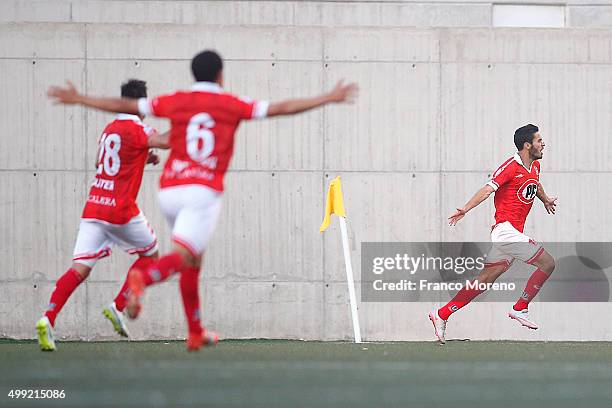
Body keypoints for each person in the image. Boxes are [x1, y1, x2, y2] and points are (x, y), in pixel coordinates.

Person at [48, 50, 358, 351]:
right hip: (201, 191)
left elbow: (124, 104)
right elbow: (280, 108)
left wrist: (81, 99)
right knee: (183, 255)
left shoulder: (176, 100)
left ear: (193, 74)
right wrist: (326, 97)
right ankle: (142, 277)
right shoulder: (230, 103)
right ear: (221, 75)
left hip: (170, 189)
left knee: (193, 259)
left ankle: (195, 332)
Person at [37, 79, 169, 351]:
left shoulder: (109, 130)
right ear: (139, 104)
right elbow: (164, 141)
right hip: (120, 211)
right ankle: (118, 306)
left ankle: (47, 318)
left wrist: (145, 158)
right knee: (151, 255)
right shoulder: (138, 129)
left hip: (94, 207)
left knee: (79, 269)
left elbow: (105, 162)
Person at [429, 124, 557, 344]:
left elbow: (535, 184)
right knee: (548, 263)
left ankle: (442, 314)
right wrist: (465, 209)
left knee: (484, 281)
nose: (543, 143)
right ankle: (520, 307)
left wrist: (544, 199)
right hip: (505, 232)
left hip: (512, 234)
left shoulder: (534, 166)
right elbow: (488, 189)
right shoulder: (510, 166)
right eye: (538, 140)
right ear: (527, 145)